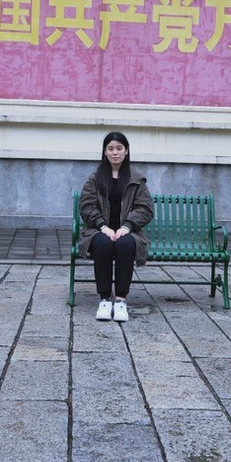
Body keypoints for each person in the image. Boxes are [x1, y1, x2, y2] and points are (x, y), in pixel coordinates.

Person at [79, 131, 154, 322]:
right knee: (103, 243)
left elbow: (145, 208)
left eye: (119, 148)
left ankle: (120, 301)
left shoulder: (136, 179)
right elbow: (87, 205)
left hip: (129, 232)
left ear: (126, 151)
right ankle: (104, 300)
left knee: (125, 243)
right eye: (110, 148)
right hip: (98, 230)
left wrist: (127, 226)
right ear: (104, 152)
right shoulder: (95, 178)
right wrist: (102, 226)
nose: (115, 153)